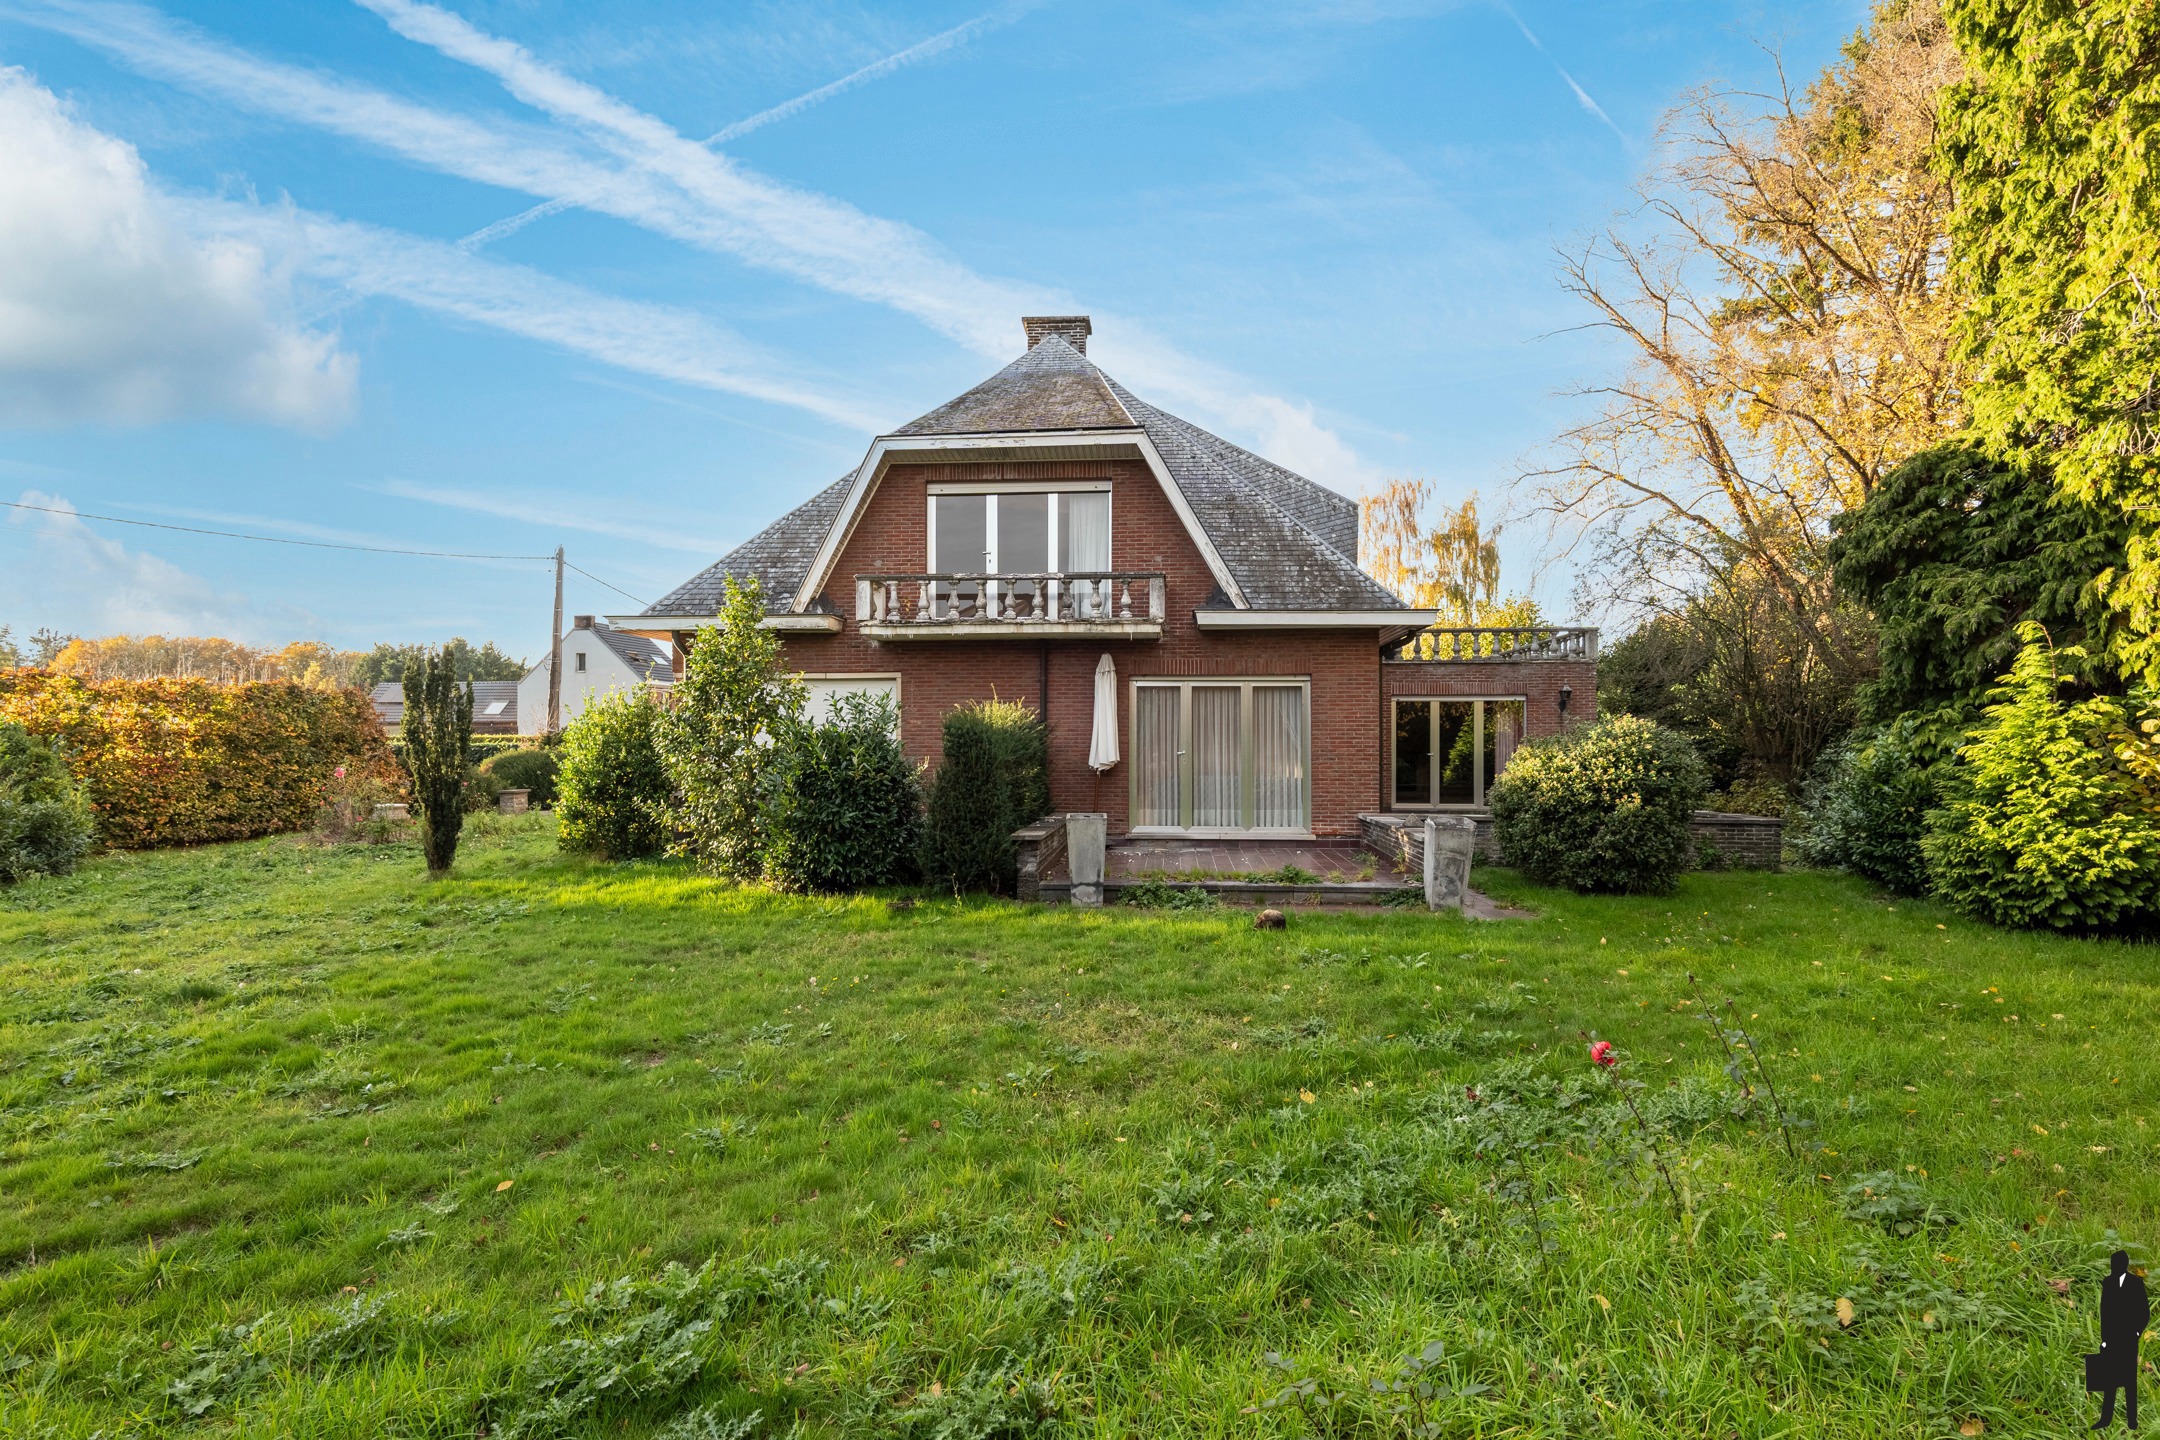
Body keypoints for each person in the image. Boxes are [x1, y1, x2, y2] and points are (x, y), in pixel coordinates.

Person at [2095, 1249, 2149, 1430]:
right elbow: (2105, 1312)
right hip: (2111, 1338)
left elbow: (2144, 1311)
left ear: (2124, 1265)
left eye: (2117, 1263)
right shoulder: (2108, 1283)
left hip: (2128, 1338)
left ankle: (2132, 1420)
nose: (2114, 1267)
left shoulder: (2135, 1283)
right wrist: (2104, 1338)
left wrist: (2136, 1333)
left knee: (2129, 1381)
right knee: (2109, 1379)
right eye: (2113, 1263)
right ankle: (2105, 1418)